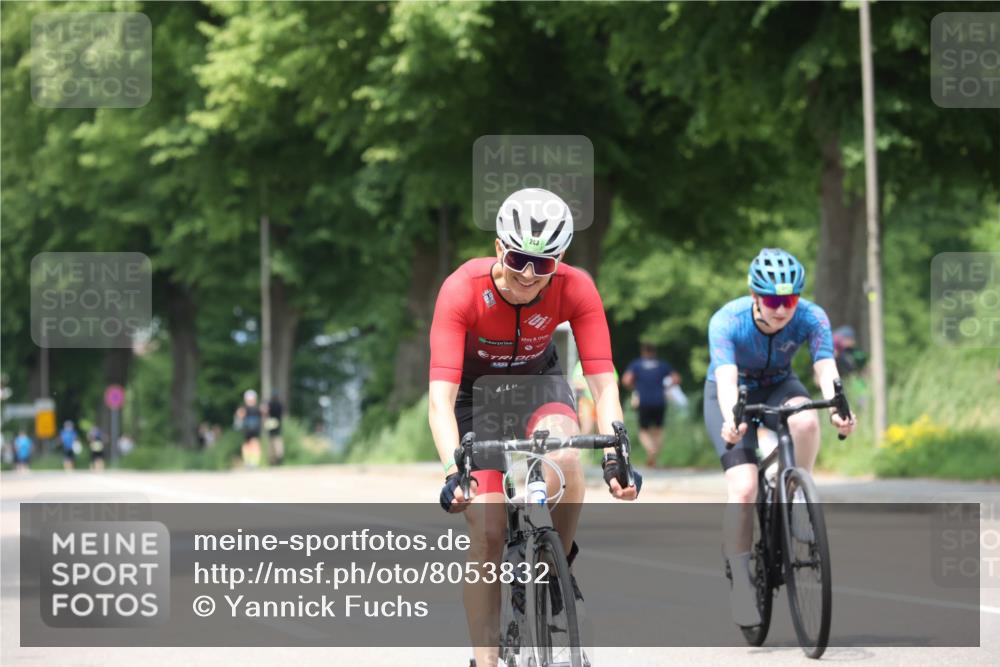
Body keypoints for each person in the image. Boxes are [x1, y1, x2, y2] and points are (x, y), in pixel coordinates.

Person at [429, 188, 641, 667]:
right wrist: (452, 471)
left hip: (538, 387)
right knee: (485, 531)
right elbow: (439, 400)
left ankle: (551, 568)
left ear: (560, 260)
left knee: (566, 458)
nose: (528, 274)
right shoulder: (461, 289)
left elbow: (604, 383)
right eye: (519, 258)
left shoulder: (576, 287)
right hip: (473, 399)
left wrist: (616, 457)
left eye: (542, 265)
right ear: (500, 247)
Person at [704, 248, 855, 628]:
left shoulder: (811, 316)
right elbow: (724, 378)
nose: (781, 309)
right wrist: (731, 420)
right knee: (743, 487)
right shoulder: (727, 321)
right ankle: (741, 581)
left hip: (778, 386)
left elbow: (825, 366)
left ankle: (798, 491)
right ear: (755, 296)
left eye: (789, 300)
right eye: (772, 300)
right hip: (731, 393)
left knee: (805, 421)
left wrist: (838, 404)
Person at [622, 343, 681, 468]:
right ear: (654, 352)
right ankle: (654, 457)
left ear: (643, 352)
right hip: (660, 401)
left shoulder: (637, 364)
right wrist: (666, 387)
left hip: (644, 401)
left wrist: (635, 387)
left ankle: (651, 449)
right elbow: (676, 379)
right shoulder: (662, 365)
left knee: (643, 430)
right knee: (658, 430)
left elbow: (626, 380)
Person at [234, 390, 262, 467]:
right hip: (247, 429)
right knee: (247, 445)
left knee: (255, 444)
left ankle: (254, 462)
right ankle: (248, 462)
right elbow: (239, 417)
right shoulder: (244, 408)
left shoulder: (257, 408)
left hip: (255, 428)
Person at [266, 393, 284, 465]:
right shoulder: (279, 404)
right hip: (277, 424)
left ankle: (272, 459)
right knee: (277, 441)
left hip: (271, 423)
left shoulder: (269, 404)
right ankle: (278, 456)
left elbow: (266, 413)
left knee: (271, 442)